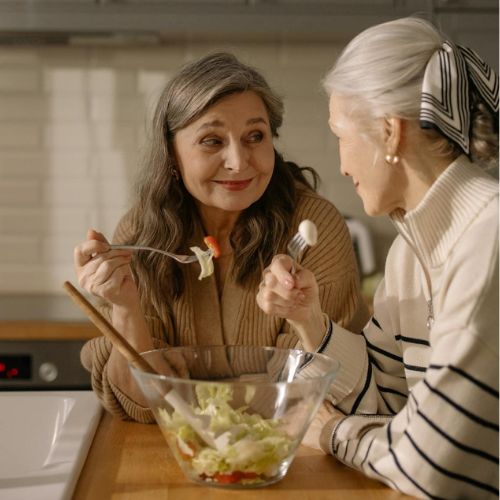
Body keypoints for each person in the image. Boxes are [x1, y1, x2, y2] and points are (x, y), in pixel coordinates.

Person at [256, 17, 499, 499]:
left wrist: (330, 433)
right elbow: (388, 400)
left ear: (389, 132)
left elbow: (430, 465)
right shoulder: (411, 252)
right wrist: (309, 320)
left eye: (342, 136)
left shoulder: (488, 242)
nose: (342, 164)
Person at [73, 52, 368, 423]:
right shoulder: (140, 235)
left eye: (254, 137)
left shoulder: (312, 229)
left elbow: (314, 387)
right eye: (212, 141)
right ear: (171, 155)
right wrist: (125, 307)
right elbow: (142, 401)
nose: (238, 161)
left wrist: (181, 386)